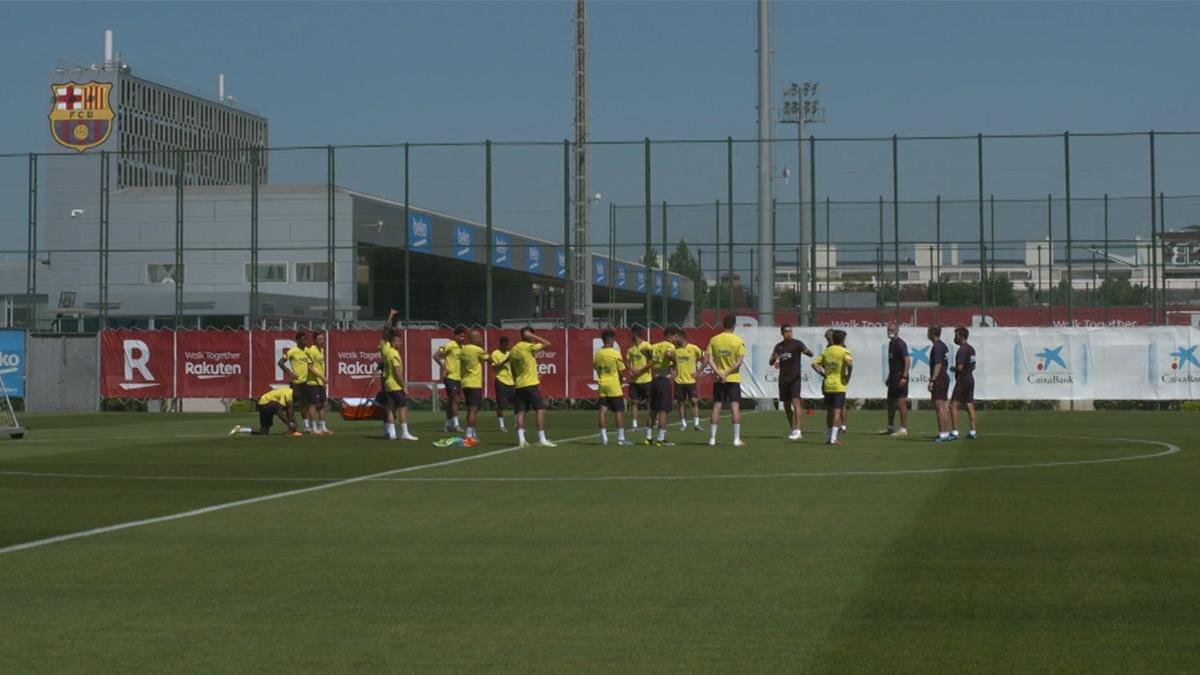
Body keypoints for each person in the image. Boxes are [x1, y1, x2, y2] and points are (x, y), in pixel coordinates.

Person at [505, 326, 556, 447]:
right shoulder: (528, 346)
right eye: (531, 335)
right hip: (530, 384)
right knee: (540, 409)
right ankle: (542, 439)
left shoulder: (513, 349)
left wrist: (516, 380)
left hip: (519, 384)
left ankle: (521, 440)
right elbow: (548, 343)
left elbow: (512, 368)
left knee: (521, 412)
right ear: (527, 335)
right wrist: (533, 336)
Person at [705, 315, 747, 447]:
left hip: (718, 379)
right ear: (734, 325)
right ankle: (736, 439)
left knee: (717, 405)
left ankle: (712, 439)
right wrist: (726, 373)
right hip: (733, 379)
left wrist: (720, 374)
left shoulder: (714, 340)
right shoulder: (738, 340)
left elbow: (709, 360)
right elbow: (739, 362)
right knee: (735, 406)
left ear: (723, 325)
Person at [379, 309, 419, 441]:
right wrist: (404, 385)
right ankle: (404, 432)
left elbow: (386, 331)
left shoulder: (385, 348)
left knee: (390, 407)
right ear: (393, 341)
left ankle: (391, 433)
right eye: (399, 341)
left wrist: (391, 317)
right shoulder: (393, 352)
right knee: (402, 406)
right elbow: (398, 372)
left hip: (387, 380)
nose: (401, 343)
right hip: (394, 382)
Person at [769, 323, 813, 440]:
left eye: (790, 331)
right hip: (783, 379)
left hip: (795, 378)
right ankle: (793, 429)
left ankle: (798, 430)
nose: (789, 333)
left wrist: (807, 351)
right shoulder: (778, 346)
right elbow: (771, 361)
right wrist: (775, 357)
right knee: (786, 406)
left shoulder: (797, 343)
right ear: (782, 333)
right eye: (786, 331)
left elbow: (810, 353)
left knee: (796, 402)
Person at [812, 329, 853, 445]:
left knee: (829, 412)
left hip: (827, 384)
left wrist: (823, 374)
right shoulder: (844, 351)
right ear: (843, 340)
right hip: (839, 385)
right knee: (836, 411)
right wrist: (848, 375)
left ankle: (828, 437)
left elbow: (814, 364)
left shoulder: (827, 351)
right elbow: (849, 364)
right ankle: (834, 438)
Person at [593, 329, 633, 446]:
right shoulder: (615, 354)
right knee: (619, 411)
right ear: (611, 340)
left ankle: (603, 437)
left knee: (602, 411)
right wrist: (620, 381)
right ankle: (620, 438)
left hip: (602, 384)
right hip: (613, 385)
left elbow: (596, 367)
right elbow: (621, 370)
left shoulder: (598, 354)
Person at [641, 327, 678, 446]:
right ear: (670, 336)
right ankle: (661, 438)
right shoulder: (670, 346)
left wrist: (652, 359)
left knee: (653, 410)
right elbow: (668, 353)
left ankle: (648, 437)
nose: (676, 339)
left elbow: (644, 351)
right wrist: (675, 361)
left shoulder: (655, 345)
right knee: (663, 410)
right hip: (663, 379)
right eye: (675, 336)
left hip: (654, 379)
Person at [433, 325, 467, 433]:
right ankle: (456, 424)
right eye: (461, 336)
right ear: (455, 336)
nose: (463, 338)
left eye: (464, 337)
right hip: (450, 377)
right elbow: (436, 355)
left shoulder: (463, 347)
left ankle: (448, 424)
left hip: (459, 378)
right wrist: (444, 367)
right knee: (456, 399)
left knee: (452, 400)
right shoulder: (450, 345)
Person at [458, 329, 489, 446]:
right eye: (479, 338)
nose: (481, 339)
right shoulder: (478, 350)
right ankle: (469, 435)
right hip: (474, 383)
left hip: (465, 382)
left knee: (470, 409)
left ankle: (472, 433)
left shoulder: (463, 349)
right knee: (473, 409)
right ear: (473, 338)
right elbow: (490, 360)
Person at [230, 385, 299, 436]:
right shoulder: (288, 393)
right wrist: (289, 424)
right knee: (278, 408)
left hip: (262, 404)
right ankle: (291, 429)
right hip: (266, 404)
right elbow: (279, 412)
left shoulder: (290, 393)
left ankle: (240, 429)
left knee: (264, 431)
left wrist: (292, 424)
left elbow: (289, 411)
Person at [278, 332, 313, 433]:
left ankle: (306, 426)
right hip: (296, 383)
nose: (305, 342)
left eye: (305, 339)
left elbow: (310, 365)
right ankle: (291, 425)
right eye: (303, 340)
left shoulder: (307, 351)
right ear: (297, 340)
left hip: (306, 382)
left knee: (305, 405)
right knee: (290, 406)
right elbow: (280, 362)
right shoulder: (292, 351)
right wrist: (289, 372)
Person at [881, 321, 910, 437]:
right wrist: (889, 377)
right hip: (893, 378)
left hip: (900, 377)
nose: (890, 332)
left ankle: (903, 428)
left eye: (892, 330)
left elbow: (907, 360)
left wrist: (904, 376)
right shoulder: (891, 344)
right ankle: (890, 427)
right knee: (890, 402)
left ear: (897, 330)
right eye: (888, 330)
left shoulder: (900, 344)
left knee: (901, 402)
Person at [950, 325, 978, 440]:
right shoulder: (971, 349)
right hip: (970, 378)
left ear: (961, 336)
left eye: (956, 335)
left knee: (953, 405)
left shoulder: (962, 350)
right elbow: (974, 365)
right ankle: (973, 431)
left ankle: (955, 432)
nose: (955, 338)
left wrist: (953, 369)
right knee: (969, 404)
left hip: (963, 380)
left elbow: (960, 367)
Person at [672, 330, 704, 431]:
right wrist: (672, 372)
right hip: (679, 381)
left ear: (682, 337)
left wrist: (698, 371)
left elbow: (705, 358)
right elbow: (672, 363)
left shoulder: (693, 348)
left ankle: (696, 424)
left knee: (694, 401)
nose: (674, 339)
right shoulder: (675, 350)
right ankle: (683, 424)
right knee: (681, 403)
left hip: (690, 381)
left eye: (676, 337)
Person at [625, 324, 653, 431]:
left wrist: (640, 370)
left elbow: (651, 362)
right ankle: (634, 424)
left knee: (650, 402)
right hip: (634, 381)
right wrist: (631, 370)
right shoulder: (631, 349)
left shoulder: (647, 346)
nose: (630, 336)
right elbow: (627, 361)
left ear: (636, 334)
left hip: (646, 380)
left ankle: (652, 422)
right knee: (634, 402)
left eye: (631, 333)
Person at [927, 325, 952, 442]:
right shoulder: (943, 345)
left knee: (939, 407)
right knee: (943, 407)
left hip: (940, 378)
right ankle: (945, 432)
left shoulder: (937, 346)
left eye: (928, 331)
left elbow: (938, 364)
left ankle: (942, 433)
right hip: (944, 378)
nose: (927, 334)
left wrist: (932, 380)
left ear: (932, 333)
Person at [306, 330, 331, 435]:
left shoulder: (321, 350)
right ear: (314, 340)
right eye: (319, 339)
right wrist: (322, 377)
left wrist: (323, 380)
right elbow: (310, 367)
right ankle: (313, 428)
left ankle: (323, 427)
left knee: (324, 404)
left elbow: (320, 367)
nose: (322, 341)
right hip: (313, 382)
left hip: (320, 382)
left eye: (323, 339)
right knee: (313, 405)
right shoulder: (311, 350)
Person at [489, 336, 515, 431]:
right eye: (503, 344)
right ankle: (501, 425)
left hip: (511, 381)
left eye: (506, 344)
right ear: (500, 344)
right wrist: (505, 361)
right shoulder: (495, 354)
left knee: (517, 403)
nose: (505, 346)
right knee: (501, 404)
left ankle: (517, 424)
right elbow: (494, 368)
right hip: (501, 380)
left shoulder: (510, 353)